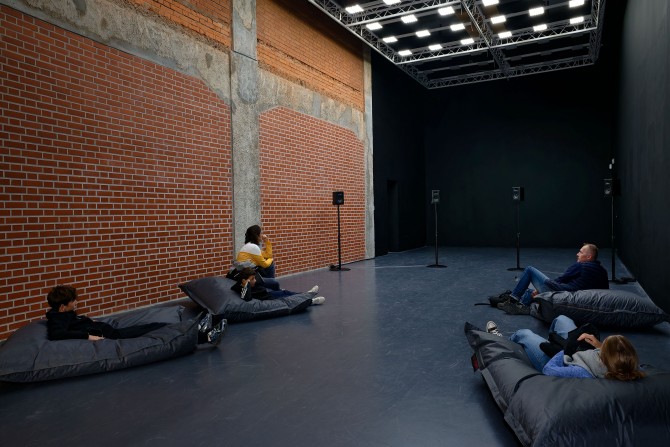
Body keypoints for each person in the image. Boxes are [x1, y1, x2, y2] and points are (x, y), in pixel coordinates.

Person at [46, 285, 225, 345]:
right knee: (159, 329)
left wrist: (86, 320)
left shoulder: (62, 314)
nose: (76, 303)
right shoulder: (58, 320)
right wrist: (88, 336)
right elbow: (57, 334)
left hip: (111, 329)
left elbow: (72, 322)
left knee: (155, 325)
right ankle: (205, 336)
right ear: (62, 307)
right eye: (73, 302)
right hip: (113, 336)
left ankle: (199, 328)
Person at [486, 316, 645, 380]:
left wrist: (566, 348)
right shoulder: (626, 364)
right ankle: (549, 340)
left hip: (560, 359)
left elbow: (549, 370)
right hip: (580, 354)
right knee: (562, 319)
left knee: (524, 333)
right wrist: (598, 345)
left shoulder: (582, 373)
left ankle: (500, 341)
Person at [496, 243, 609, 315]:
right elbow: (605, 292)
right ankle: (522, 305)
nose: (577, 254)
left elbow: (561, 280)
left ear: (588, 257)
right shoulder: (603, 272)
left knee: (530, 270)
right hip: (575, 297)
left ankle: (513, 301)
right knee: (532, 289)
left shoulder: (581, 266)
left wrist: (543, 289)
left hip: (560, 293)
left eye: (580, 252)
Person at [231, 267, 325, 305]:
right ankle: (311, 301)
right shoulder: (242, 288)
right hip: (268, 297)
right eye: (252, 279)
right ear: (244, 281)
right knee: (289, 297)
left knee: (286, 292)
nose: (254, 280)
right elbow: (247, 298)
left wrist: (250, 281)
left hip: (267, 293)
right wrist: (247, 284)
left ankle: (307, 294)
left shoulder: (243, 282)